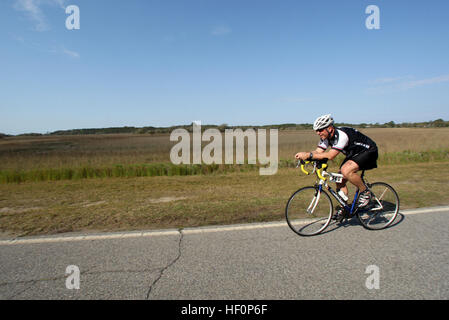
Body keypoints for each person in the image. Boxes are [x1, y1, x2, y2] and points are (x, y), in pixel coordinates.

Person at [295, 114, 378, 213]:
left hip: (369, 151)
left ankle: (365, 192)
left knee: (346, 170)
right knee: (339, 179)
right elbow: (318, 152)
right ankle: (345, 208)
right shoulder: (326, 138)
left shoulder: (342, 135)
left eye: (320, 130)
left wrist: (309, 155)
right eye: (316, 130)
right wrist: (306, 157)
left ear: (329, 128)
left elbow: (331, 155)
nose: (318, 133)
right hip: (354, 154)